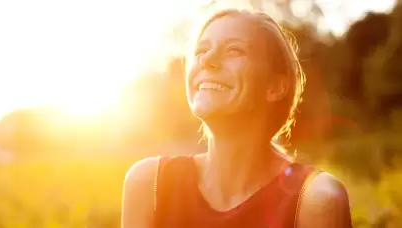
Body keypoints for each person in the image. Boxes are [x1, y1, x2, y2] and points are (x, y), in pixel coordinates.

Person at [122, 9, 353, 228]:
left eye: (234, 50)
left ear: (275, 86)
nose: (206, 60)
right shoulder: (149, 185)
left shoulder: (317, 199)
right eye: (200, 51)